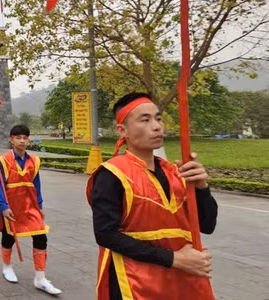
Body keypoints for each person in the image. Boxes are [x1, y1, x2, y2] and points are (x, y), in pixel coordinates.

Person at [88, 93, 218, 300]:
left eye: (158, 118)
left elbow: (207, 225)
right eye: (145, 120)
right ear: (123, 130)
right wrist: (173, 258)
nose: (157, 126)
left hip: (181, 280)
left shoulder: (176, 172)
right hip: (133, 282)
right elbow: (105, 234)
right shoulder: (112, 174)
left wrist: (202, 187)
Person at [0, 124, 61, 295]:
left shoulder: (34, 161)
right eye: (18, 138)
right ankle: (7, 266)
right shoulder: (3, 161)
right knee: (8, 237)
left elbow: (36, 185)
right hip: (11, 204)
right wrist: (3, 206)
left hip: (30, 204)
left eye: (25, 138)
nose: (22, 141)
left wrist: (39, 206)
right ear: (12, 140)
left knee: (41, 237)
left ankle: (40, 278)